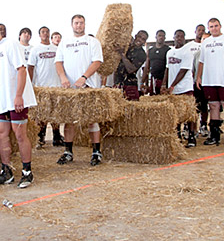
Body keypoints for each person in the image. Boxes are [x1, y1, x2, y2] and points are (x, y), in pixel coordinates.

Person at [0, 20, 37, 188]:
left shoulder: (11, 44)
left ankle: (27, 172)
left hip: (15, 98)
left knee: (20, 133)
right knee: (1, 134)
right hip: (1, 101)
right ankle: (6, 172)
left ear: (0, 31)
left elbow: (21, 69)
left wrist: (18, 96)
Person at [55, 14, 104, 166]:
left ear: (85, 24)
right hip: (70, 88)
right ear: (72, 25)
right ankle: (68, 152)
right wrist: (63, 78)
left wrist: (84, 77)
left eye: (81, 23)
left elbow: (97, 62)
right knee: (69, 121)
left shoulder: (92, 42)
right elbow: (58, 62)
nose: (78, 25)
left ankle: (96, 152)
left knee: (92, 119)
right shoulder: (65, 42)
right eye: (76, 23)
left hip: (89, 87)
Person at [196, 18, 224, 147]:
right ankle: (214, 136)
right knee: (213, 106)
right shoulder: (206, 42)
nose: (214, 28)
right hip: (210, 80)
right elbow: (201, 62)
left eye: (216, 26)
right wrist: (199, 77)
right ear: (208, 28)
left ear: (220, 26)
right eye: (211, 26)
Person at [27, 26, 63, 147]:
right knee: (42, 114)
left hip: (56, 85)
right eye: (43, 32)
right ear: (39, 35)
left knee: (56, 113)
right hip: (41, 86)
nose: (45, 34)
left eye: (47, 32)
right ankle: (40, 136)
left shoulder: (57, 49)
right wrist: (30, 84)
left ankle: (56, 136)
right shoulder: (35, 50)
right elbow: (30, 67)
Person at [162, 29, 196, 147]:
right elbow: (167, 69)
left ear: (184, 38)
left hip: (185, 87)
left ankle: (192, 136)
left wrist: (172, 85)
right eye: (177, 36)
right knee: (175, 113)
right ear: (174, 37)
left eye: (181, 36)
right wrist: (164, 84)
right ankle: (178, 135)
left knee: (189, 113)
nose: (179, 38)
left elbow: (183, 70)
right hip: (173, 89)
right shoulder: (169, 52)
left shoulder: (187, 52)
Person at [184, 25, 209, 137]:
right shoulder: (189, 46)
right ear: (195, 31)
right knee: (192, 106)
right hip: (192, 82)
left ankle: (204, 126)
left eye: (203, 30)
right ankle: (188, 128)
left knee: (205, 106)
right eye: (199, 30)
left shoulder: (207, 47)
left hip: (206, 82)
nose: (201, 32)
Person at [114, 30, 148, 101]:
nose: (140, 40)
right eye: (139, 37)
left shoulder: (142, 54)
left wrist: (122, 55)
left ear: (144, 42)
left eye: (143, 39)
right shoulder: (127, 47)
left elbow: (131, 69)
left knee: (130, 109)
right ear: (135, 36)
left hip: (129, 85)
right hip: (118, 82)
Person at [143, 30, 170, 95]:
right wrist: (144, 83)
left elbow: (168, 67)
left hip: (164, 79)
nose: (161, 37)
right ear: (156, 37)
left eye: (163, 36)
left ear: (165, 38)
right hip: (153, 79)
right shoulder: (150, 51)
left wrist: (164, 83)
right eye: (159, 35)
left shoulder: (168, 50)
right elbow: (147, 67)